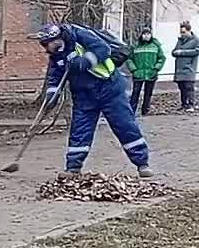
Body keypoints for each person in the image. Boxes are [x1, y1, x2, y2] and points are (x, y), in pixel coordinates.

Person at [33, 22, 153, 178]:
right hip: (83, 95)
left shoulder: (78, 36)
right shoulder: (56, 56)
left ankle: (142, 163)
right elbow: (54, 77)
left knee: (125, 125)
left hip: (109, 87)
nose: (46, 49)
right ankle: (73, 168)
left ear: (56, 39)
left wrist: (85, 62)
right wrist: (52, 95)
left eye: (46, 44)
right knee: (80, 130)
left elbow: (102, 48)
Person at [128, 26, 166, 115]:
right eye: (144, 34)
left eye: (148, 34)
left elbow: (161, 58)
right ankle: (131, 111)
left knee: (148, 93)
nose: (146, 36)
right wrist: (134, 70)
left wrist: (156, 68)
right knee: (135, 93)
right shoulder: (135, 46)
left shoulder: (156, 46)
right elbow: (129, 59)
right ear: (141, 35)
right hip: (138, 73)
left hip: (151, 73)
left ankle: (145, 110)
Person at [171, 21, 198, 112]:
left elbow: (196, 51)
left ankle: (191, 105)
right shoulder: (180, 41)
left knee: (189, 87)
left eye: (184, 32)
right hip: (179, 69)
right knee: (181, 87)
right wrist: (176, 52)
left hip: (189, 68)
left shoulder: (195, 40)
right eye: (181, 32)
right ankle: (184, 104)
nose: (182, 34)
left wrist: (181, 52)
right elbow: (174, 52)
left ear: (189, 31)